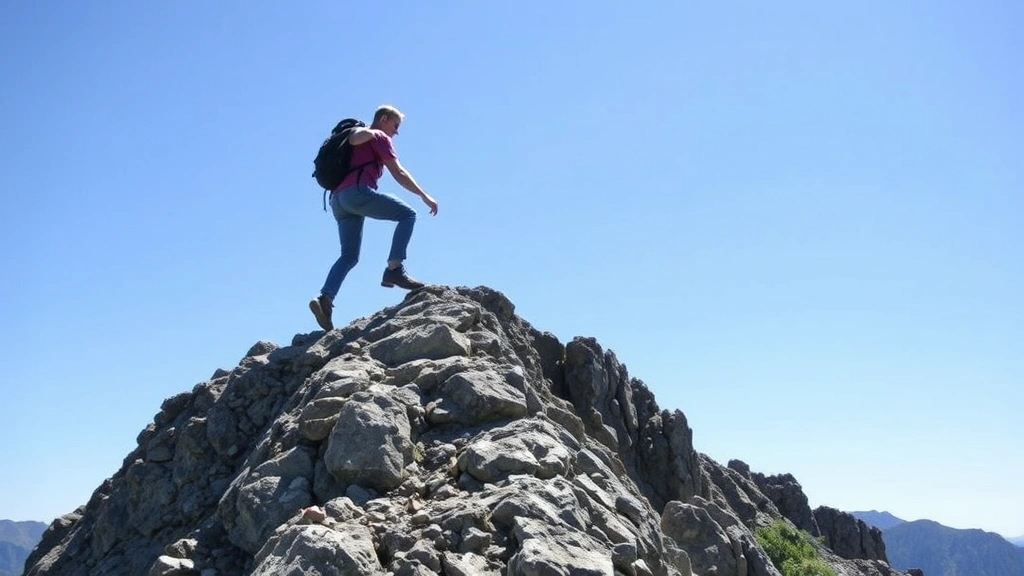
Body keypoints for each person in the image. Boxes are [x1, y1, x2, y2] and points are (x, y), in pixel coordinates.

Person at [309, 105, 439, 331]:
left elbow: (354, 139)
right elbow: (398, 172)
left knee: (349, 256)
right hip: (356, 194)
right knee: (407, 214)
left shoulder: (358, 134)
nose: (396, 132)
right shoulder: (377, 136)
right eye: (395, 126)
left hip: (338, 201)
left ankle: (325, 300)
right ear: (385, 119)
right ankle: (394, 270)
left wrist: (365, 133)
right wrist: (423, 195)